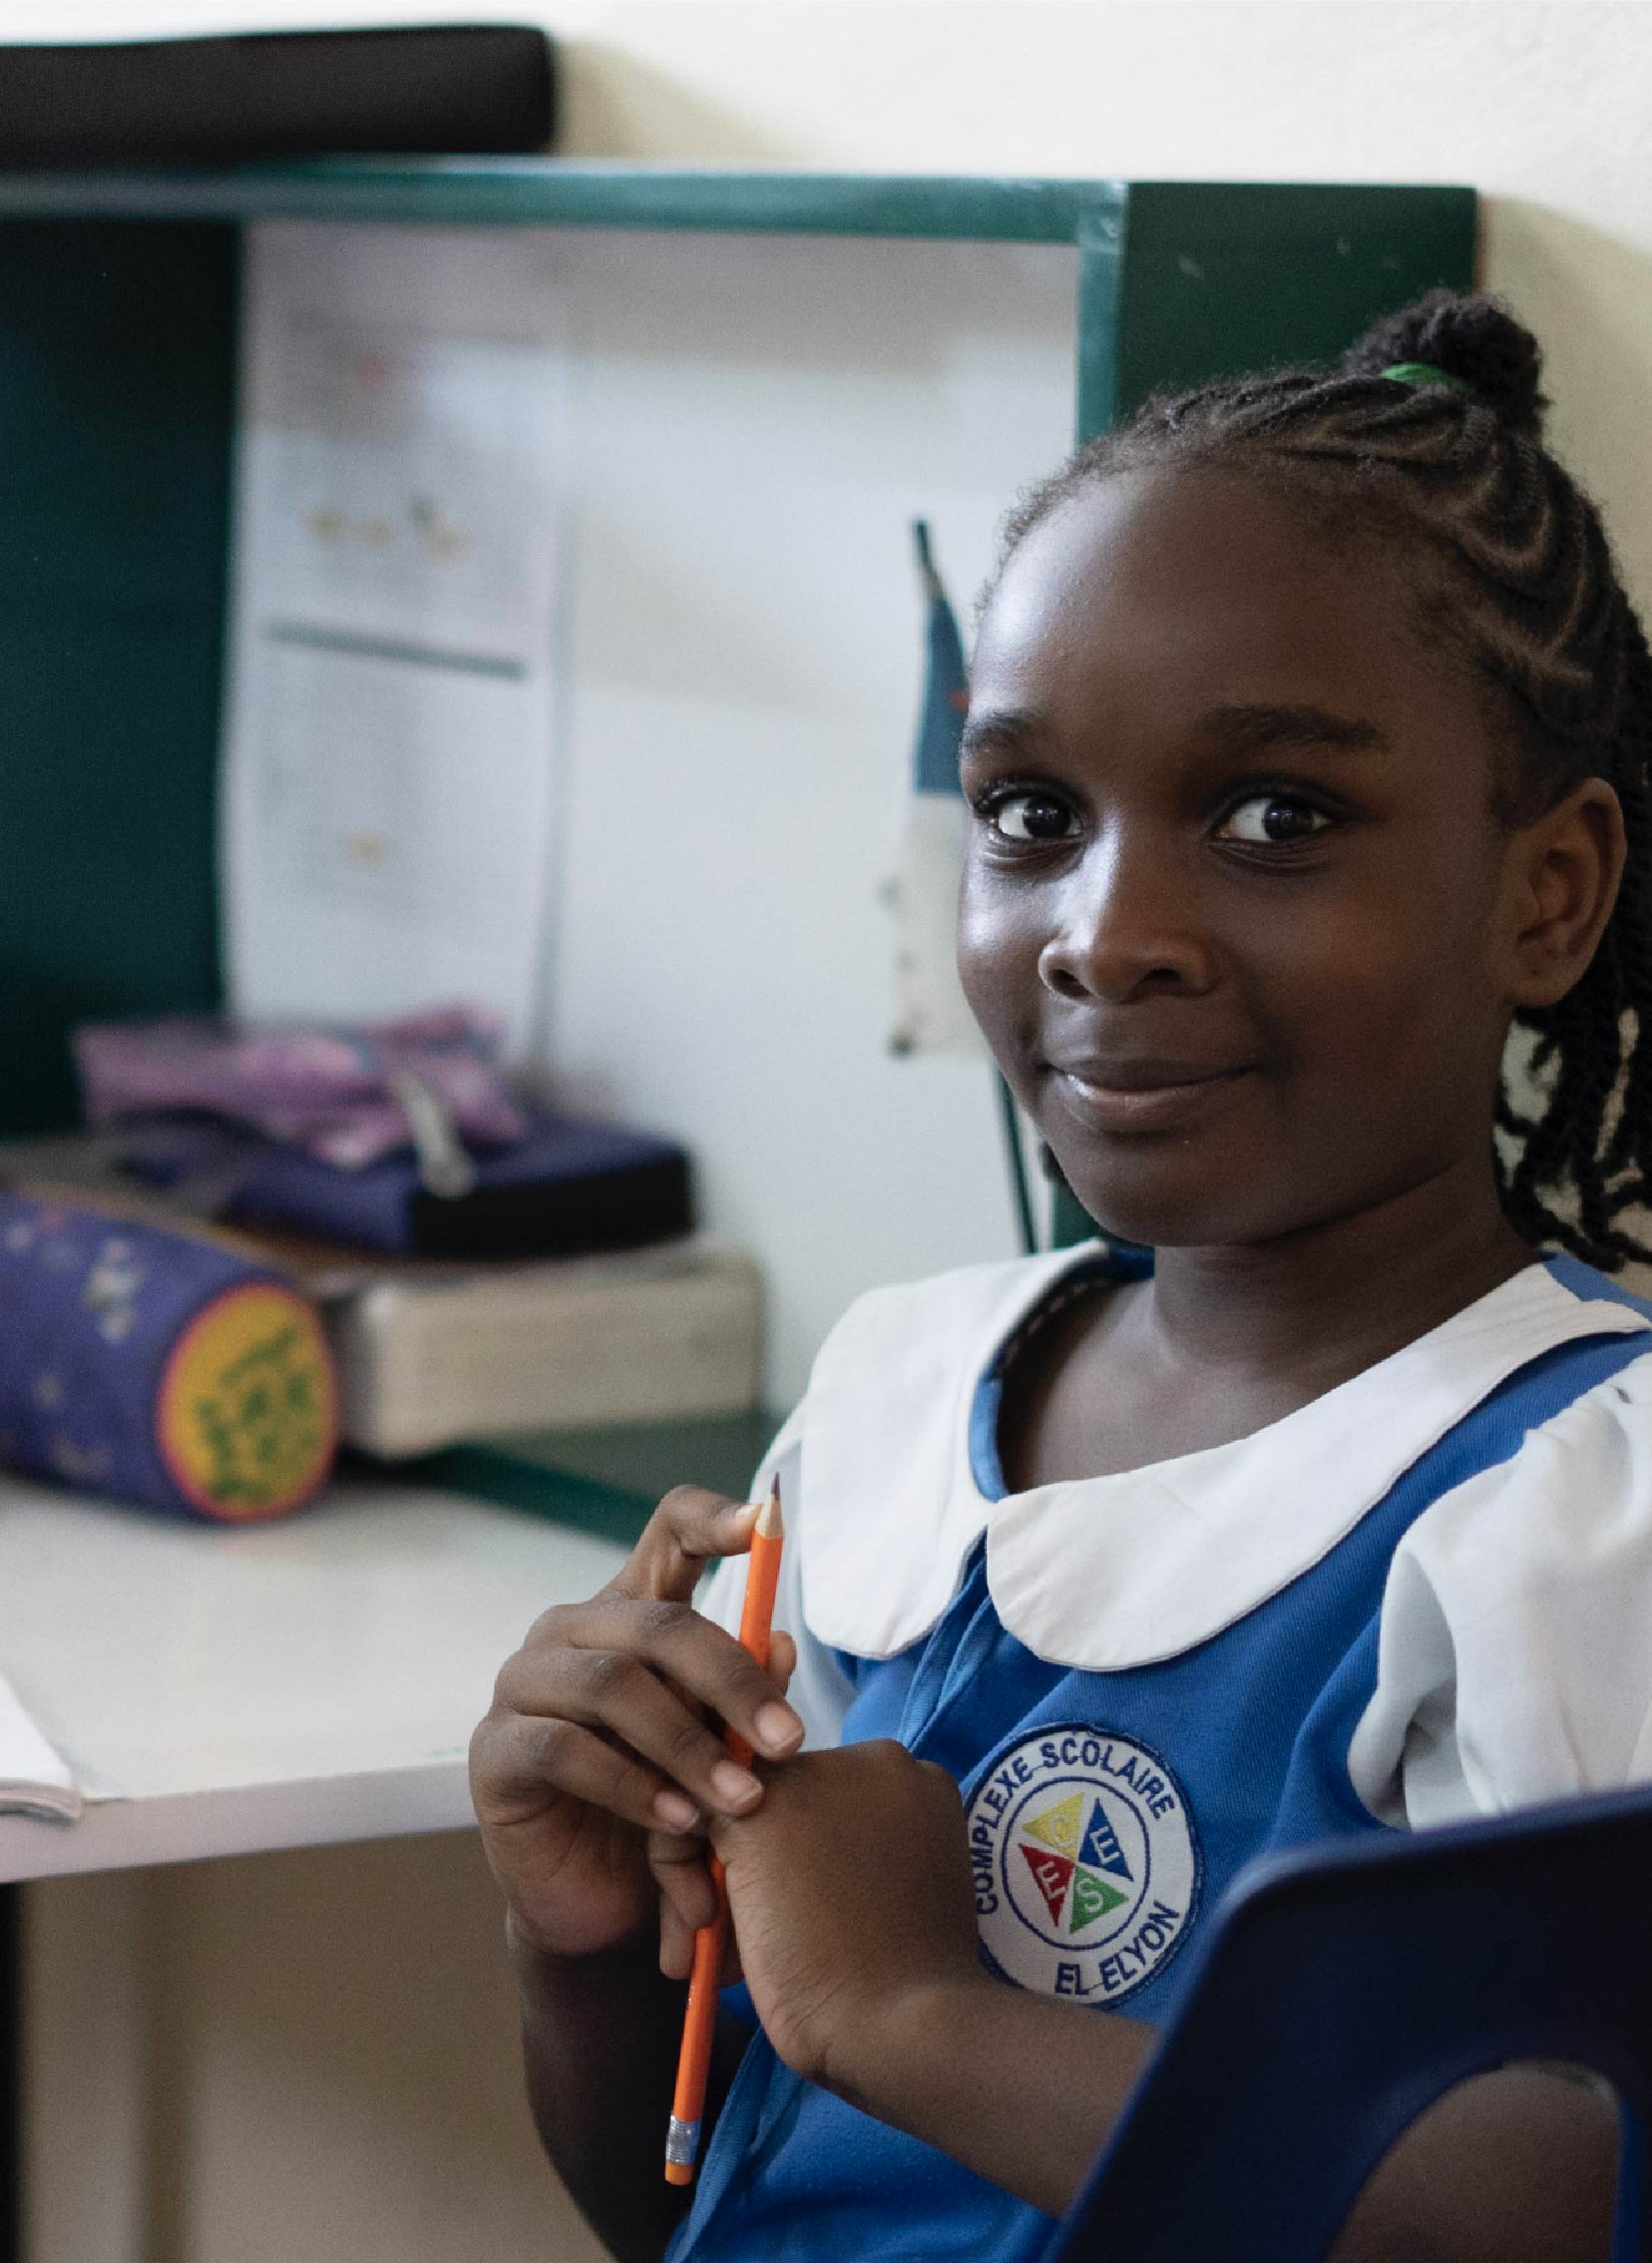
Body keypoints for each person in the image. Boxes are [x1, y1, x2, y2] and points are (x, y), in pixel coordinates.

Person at [469, 290, 1651, 2262]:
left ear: (1548, 892)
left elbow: (1544, 2225)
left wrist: (917, 2017)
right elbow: (694, 2203)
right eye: (1031, 816)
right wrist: (583, 1939)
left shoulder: (1580, 1507)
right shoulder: (890, 1400)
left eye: (1278, 818)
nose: (1106, 936)